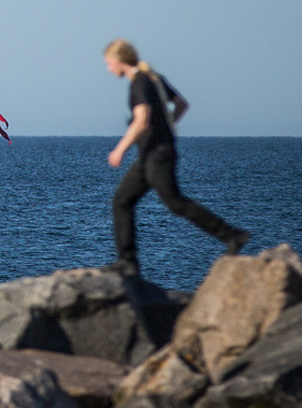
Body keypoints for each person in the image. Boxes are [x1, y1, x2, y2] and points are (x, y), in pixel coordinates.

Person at [102, 38, 248, 276]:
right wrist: (167, 127)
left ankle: (233, 235)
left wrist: (119, 149)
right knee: (122, 200)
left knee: (175, 203)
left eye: (109, 64)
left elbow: (142, 120)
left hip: (157, 155)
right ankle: (127, 263)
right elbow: (181, 104)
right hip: (152, 153)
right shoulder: (154, 78)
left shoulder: (139, 82)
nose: (109, 69)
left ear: (120, 61)